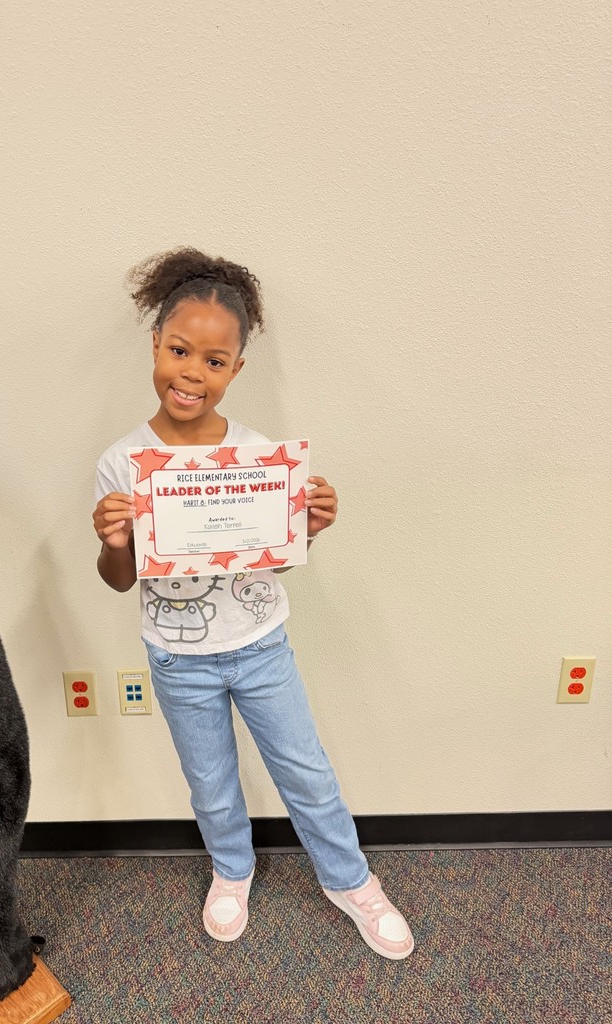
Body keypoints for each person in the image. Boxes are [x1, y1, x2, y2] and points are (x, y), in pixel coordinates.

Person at [93, 247, 414, 959]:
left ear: (236, 370)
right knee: (209, 783)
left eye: (214, 361)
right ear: (156, 345)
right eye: (179, 350)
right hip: (177, 656)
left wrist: (309, 527)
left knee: (307, 772)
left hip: (262, 643)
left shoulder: (259, 454)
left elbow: (273, 561)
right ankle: (230, 869)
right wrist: (115, 540)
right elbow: (118, 579)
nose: (192, 373)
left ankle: (348, 879)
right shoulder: (123, 462)